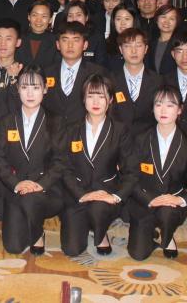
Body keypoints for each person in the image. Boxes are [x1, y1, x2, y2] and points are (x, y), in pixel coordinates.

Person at [126, 84, 187, 260]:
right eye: (158, 104)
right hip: (145, 201)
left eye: (170, 105)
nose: (163, 110)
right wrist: (149, 199)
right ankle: (152, 232)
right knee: (138, 254)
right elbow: (130, 177)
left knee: (166, 214)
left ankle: (167, 233)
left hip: (172, 205)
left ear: (179, 110)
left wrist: (179, 200)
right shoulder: (140, 139)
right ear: (152, 108)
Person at [58, 74, 134, 256]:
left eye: (101, 96)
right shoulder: (71, 129)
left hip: (105, 194)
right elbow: (64, 168)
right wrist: (81, 194)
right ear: (83, 99)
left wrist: (116, 196)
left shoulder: (120, 130)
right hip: (77, 193)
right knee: (72, 249)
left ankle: (100, 232)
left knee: (98, 210)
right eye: (91, 96)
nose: (96, 102)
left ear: (110, 100)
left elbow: (131, 171)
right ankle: (86, 223)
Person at [0, 66, 63, 255]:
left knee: (32, 202)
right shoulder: (7, 121)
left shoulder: (55, 121)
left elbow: (60, 161)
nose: (30, 93)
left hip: (45, 190)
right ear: (17, 89)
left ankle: (38, 233)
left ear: (45, 89)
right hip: (16, 188)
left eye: (36, 87)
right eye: (24, 87)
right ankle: (27, 220)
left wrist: (40, 185)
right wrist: (16, 183)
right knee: (13, 247)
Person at [44, 22, 108, 127]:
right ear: (58, 45)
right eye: (65, 40)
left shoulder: (98, 73)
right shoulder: (46, 73)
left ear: (85, 45)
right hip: (52, 132)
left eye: (76, 40)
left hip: (85, 132)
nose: (70, 45)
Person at [110, 27, 162, 138]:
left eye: (138, 46)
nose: (133, 51)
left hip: (149, 140)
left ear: (146, 49)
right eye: (128, 46)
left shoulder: (158, 81)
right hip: (117, 140)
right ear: (121, 49)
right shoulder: (110, 80)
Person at [17, 0, 58, 72]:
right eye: (34, 15)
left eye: (44, 16)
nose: (38, 20)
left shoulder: (56, 41)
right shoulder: (18, 39)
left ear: (50, 19)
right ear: (29, 17)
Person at [104, 2, 140, 71]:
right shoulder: (106, 45)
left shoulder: (142, 43)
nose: (123, 23)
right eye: (118, 19)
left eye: (127, 19)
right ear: (113, 21)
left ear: (134, 20)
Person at [151, 5, 180, 75]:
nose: (167, 21)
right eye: (163, 17)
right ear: (157, 20)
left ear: (176, 23)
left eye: (171, 19)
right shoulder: (150, 44)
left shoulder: (180, 44)